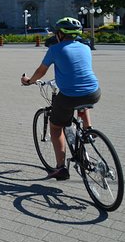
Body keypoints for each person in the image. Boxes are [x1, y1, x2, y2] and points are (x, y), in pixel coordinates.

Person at [21, 17, 100, 180]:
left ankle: (61, 168)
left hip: (69, 96)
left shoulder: (55, 49)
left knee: (56, 128)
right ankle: (88, 131)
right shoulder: (85, 47)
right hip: (94, 91)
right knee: (82, 101)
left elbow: (41, 71)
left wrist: (29, 81)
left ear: (60, 34)